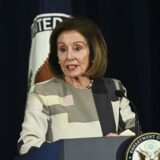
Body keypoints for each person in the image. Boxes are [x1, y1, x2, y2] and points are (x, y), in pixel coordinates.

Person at [17, 17, 136, 155]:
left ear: (93, 52)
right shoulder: (42, 91)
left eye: (77, 48)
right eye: (62, 49)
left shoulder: (113, 89)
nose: (69, 56)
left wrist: (118, 142)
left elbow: (135, 134)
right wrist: (72, 151)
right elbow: (27, 143)